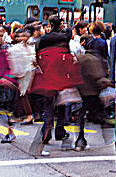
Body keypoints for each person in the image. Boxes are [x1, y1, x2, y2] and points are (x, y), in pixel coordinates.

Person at [31, 15, 83, 156]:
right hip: (61, 78)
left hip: (47, 78)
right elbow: (67, 58)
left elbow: (37, 58)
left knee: (48, 108)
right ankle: (59, 130)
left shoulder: (44, 39)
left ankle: (46, 134)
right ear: (60, 25)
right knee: (61, 107)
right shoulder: (64, 39)